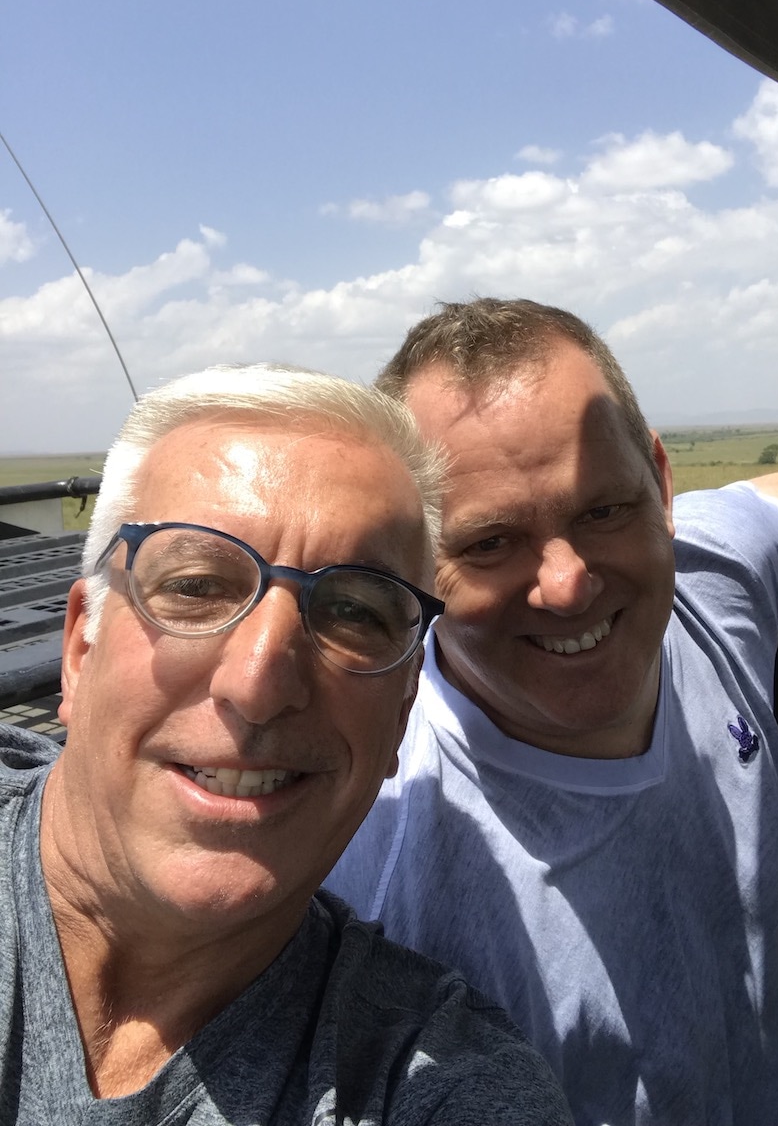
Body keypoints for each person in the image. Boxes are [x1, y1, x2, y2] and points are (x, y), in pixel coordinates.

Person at [328, 299, 778, 1126]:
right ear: (411, 558)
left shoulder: (705, 583)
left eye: (602, 511)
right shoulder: (371, 850)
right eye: (489, 543)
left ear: (662, 485)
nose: (567, 583)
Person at [0, 362, 574, 1126]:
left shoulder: (433, 1083)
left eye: (357, 611)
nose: (261, 681)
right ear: (81, 647)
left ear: (402, 709)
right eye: (198, 585)